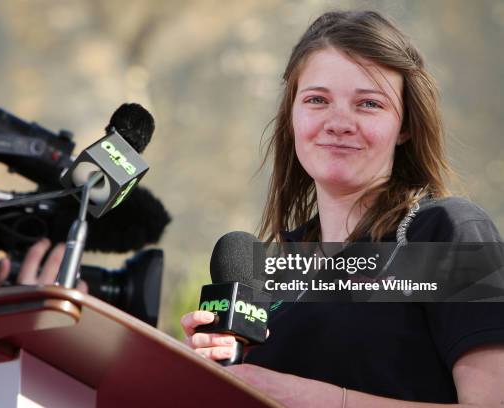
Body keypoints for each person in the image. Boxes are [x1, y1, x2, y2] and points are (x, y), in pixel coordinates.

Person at [181, 10, 504, 406]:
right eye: (317, 99)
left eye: (368, 104)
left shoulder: (445, 232)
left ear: (404, 126)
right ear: (292, 116)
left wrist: (317, 399)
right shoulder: (274, 271)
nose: (339, 122)